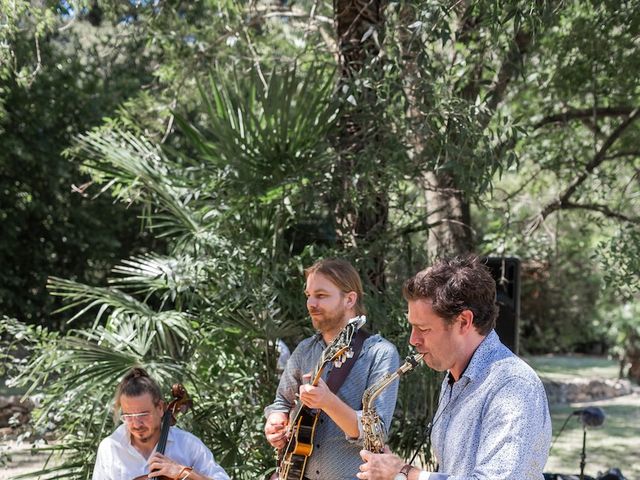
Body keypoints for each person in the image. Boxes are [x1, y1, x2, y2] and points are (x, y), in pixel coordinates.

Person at [358, 255, 552, 480]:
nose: (413, 340)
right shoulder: (453, 378)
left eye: (423, 329)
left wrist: (405, 473)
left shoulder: (513, 386)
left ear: (464, 322)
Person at [264, 258, 401, 480]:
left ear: (349, 299)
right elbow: (281, 402)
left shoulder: (380, 353)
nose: (311, 303)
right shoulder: (305, 350)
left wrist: (328, 402)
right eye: (309, 295)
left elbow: (377, 433)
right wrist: (275, 420)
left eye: (321, 295)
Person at [93, 367, 230, 480]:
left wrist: (183, 472)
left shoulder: (188, 445)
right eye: (128, 416)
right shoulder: (110, 448)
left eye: (143, 415)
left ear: (160, 408)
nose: (136, 424)